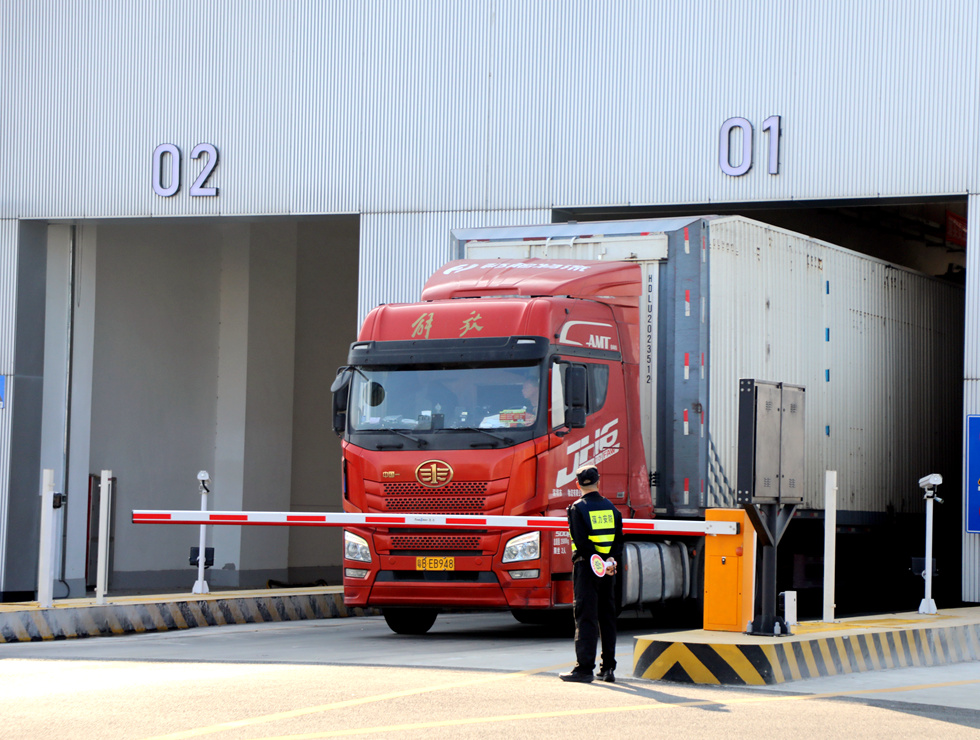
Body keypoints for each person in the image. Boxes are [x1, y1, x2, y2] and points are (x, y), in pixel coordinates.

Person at [559, 463, 624, 684]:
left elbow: (581, 542)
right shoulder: (612, 508)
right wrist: (609, 561)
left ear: (578, 484)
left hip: (587, 567)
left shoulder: (577, 508)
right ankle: (608, 669)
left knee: (586, 616)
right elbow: (618, 541)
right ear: (599, 482)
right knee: (607, 616)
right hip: (608, 568)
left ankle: (584, 668)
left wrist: (595, 560)